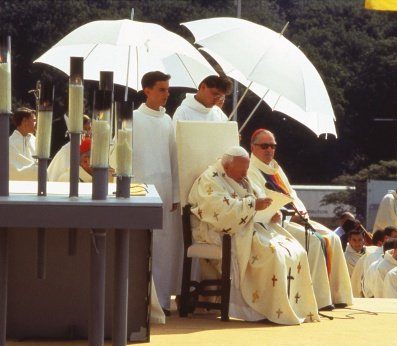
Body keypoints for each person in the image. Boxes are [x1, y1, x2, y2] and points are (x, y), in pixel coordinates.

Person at [188, 146, 319, 324]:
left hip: (251, 227)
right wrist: (253, 206)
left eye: (246, 171)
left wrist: (271, 212)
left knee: (295, 249)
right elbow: (219, 211)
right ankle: (263, 309)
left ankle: (286, 307)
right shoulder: (209, 180)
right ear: (227, 167)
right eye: (241, 171)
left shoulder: (240, 175)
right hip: (220, 231)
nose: (244, 175)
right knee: (273, 253)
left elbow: (258, 198)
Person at [247, 129, 353, 308]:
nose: (269, 150)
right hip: (277, 222)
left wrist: (301, 212)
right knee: (314, 242)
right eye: (264, 146)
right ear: (253, 147)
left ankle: (338, 296)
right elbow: (262, 198)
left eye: (273, 146)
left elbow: (292, 194)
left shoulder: (275, 168)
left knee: (333, 238)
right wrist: (290, 214)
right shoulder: (251, 169)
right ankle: (319, 300)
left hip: (296, 217)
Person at [127, 71, 182, 315]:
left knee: (162, 249)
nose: (166, 94)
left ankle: (161, 300)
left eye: (168, 89)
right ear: (146, 90)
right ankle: (137, 300)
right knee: (139, 247)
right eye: (161, 89)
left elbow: (174, 159)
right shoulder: (131, 118)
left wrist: (176, 194)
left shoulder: (167, 120)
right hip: (139, 190)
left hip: (165, 191)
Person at [47, 115, 91, 181]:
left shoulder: (90, 144)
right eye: (84, 129)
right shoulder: (68, 149)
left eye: (89, 129)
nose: (87, 133)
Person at [9, 107, 38, 181]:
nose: (36, 123)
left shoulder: (35, 141)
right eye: (34, 120)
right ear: (24, 121)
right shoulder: (10, 143)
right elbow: (12, 170)